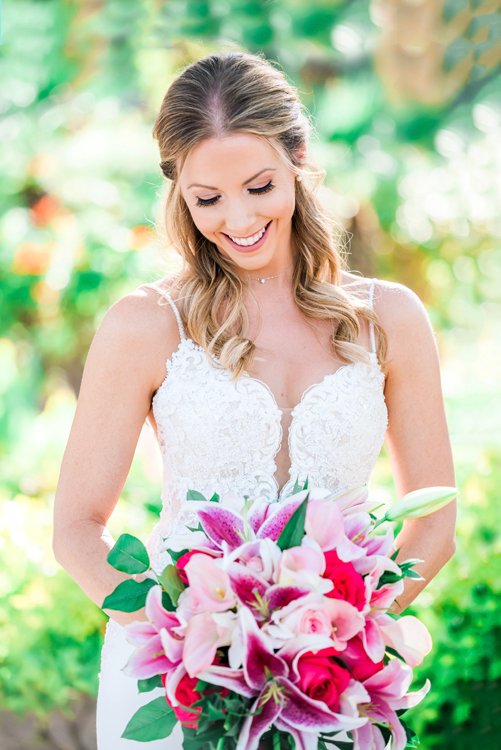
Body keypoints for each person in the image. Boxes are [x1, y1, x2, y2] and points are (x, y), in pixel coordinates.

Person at [52, 51, 457, 750]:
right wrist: (183, 641)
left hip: (335, 682)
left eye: (259, 185)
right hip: (179, 684)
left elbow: (435, 521)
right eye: (207, 198)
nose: (236, 218)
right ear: (178, 191)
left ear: (299, 158)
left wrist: (340, 640)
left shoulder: (389, 318)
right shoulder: (145, 325)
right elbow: (77, 526)